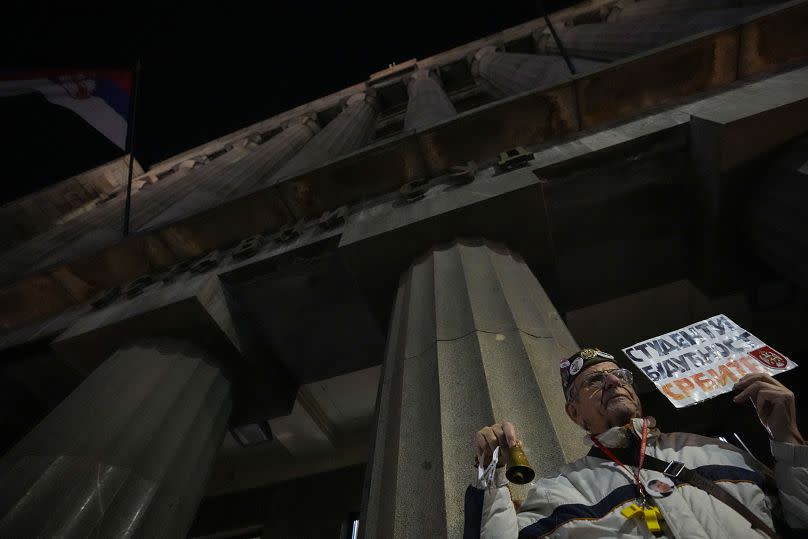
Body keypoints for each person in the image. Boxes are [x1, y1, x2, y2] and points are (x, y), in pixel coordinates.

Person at [466, 348, 808, 538]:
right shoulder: (561, 491)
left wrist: (788, 439)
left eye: (621, 376)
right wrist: (489, 475)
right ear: (574, 413)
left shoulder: (715, 450)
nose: (614, 382)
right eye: (596, 381)